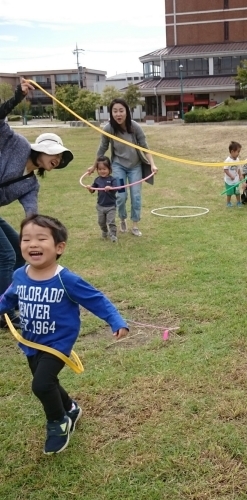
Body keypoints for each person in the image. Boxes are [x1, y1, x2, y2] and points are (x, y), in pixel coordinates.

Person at [0, 214, 129, 455]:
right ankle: (70, 408)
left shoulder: (65, 279)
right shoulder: (20, 275)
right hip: (31, 343)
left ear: (59, 247)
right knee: (49, 381)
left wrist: (115, 320)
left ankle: (58, 423)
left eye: (41, 238)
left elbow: (96, 299)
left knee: (41, 384)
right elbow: (8, 299)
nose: (32, 244)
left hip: (57, 344)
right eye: (26, 239)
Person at [0, 79, 74, 330]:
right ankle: (5, 313)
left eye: (60, 158)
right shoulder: (16, 143)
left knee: (20, 255)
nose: (58, 159)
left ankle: (10, 302)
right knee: (6, 254)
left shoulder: (31, 184)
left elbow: (32, 216)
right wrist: (18, 96)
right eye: (55, 154)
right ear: (41, 149)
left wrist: (45, 240)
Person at [91, 98, 158, 237]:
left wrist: (152, 164)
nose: (118, 114)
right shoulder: (109, 128)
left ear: (127, 111)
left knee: (136, 196)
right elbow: (102, 149)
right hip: (118, 166)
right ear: (111, 113)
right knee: (121, 196)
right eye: (115, 111)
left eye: (121, 110)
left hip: (135, 167)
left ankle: (135, 225)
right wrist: (93, 167)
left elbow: (145, 147)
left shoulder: (134, 127)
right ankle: (122, 219)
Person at [86, 156, 118, 242]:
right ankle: (104, 231)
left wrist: (110, 187)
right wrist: (90, 188)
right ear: (97, 170)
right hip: (100, 206)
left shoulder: (112, 179)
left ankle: (113, 235)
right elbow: (93, 190)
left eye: (104, 169)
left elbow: (116, 188)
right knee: (101, 222)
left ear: (109, 169)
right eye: (99, 169)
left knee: (111, 222)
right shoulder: (97, 180)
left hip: (111, 206)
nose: (102, 171)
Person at [223, 141, 242, 207]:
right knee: (229, 193)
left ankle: (239, 202)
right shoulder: (227, 160)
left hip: (236, 180)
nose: (238, 153)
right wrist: (230, 176)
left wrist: (240, 175)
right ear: (232, 152)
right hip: (229, 181)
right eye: (238, 151)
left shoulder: (237, 160)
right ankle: (228, 202)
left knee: (237, 192)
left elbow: (238, 168)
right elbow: (225, 169)